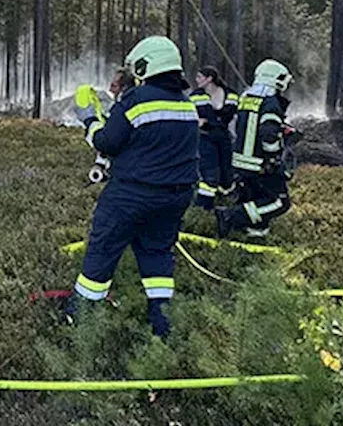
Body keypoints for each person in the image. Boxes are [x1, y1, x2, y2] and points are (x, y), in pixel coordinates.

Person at [70, 36, 200, 337]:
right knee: (157, 255)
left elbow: (108, 143)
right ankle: (162, 322)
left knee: (102, 251)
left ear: (145, 65)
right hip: (175, 198)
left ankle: (81, 321)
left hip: (131, 196)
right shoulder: (186, 104)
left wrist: (89, 119)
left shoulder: (138, 100)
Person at [217, 59, 294, 239]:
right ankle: (230, 216)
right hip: (259, 164)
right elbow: (267, 134)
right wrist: (273, 158)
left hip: (241, 162)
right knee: (280, 202)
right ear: (275, 78)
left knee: (254, 199)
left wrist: (280, 129)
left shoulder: (246, 98)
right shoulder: (270, 103)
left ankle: (254, 235)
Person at [190, 66, 239, 210]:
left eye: (200, 77)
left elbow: (234, 115)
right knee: (209, 173)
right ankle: (203, 208)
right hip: (205, 138)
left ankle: (225, 201)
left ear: (209, 78)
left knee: (227, 173)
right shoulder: (195, 96)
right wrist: (198, 122)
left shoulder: (231, 95)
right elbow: (190, 115)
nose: (196, 80)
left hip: (224, 137)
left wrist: (213, 120)